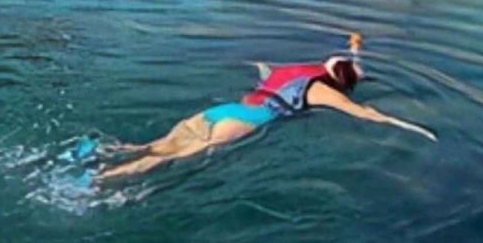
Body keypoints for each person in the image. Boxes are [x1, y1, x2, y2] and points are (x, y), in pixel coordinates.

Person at [96, 36, 435, 180]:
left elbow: (265, 71)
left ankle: (102, 154)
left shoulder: (294, 70)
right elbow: (364, 113)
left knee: (153, 145)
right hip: (247, 120)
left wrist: (354, 48)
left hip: (223, 109)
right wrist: (407, 124)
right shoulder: (321, 91)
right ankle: (103, 180)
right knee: (170, 158)